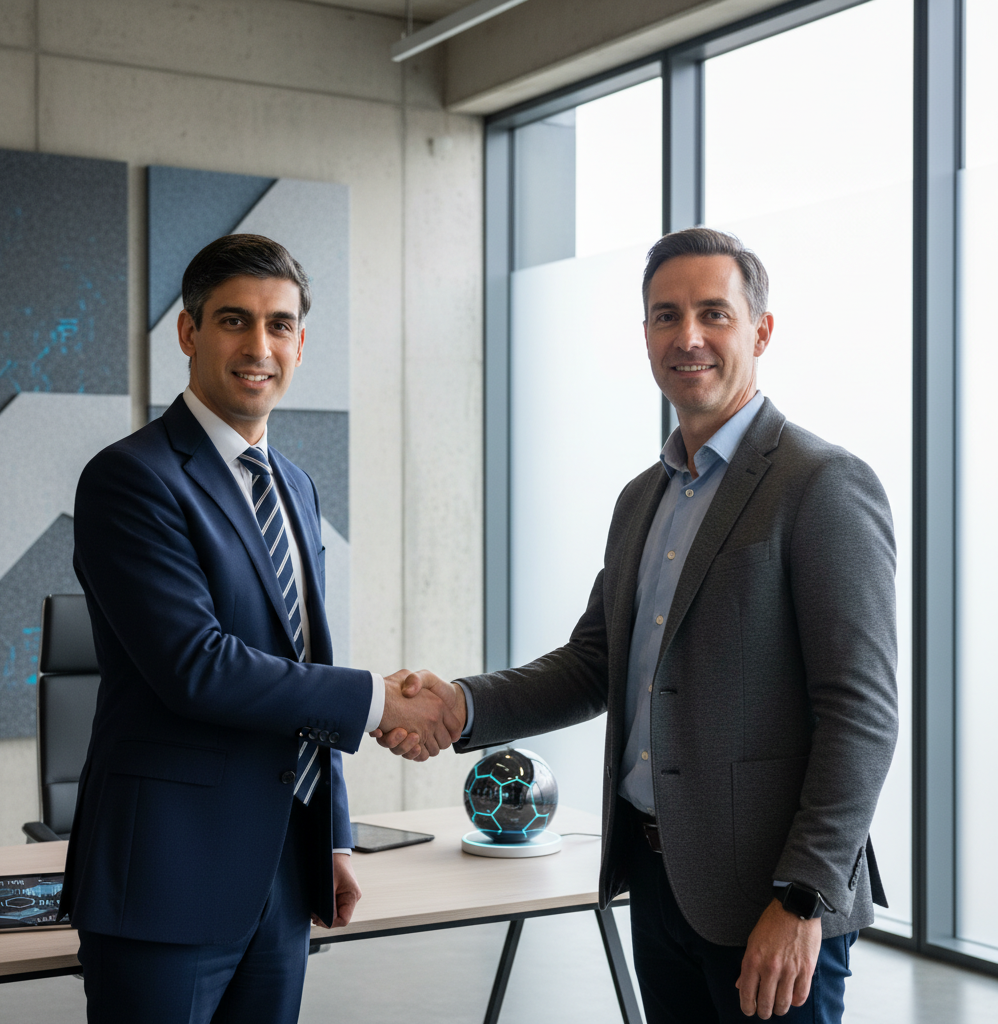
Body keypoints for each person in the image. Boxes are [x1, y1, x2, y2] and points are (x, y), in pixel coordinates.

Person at [378, 228, 899, 1023]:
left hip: (772, 902)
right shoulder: (643, 498)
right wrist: (458, 704)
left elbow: (862, 714)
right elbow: (594, 663)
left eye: (713, 314)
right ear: (646, 335)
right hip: (658, 884)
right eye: (666, 316)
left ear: (760, 330)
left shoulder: (821, 483)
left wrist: (802, 900)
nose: (687, 337)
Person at [61, 233, 462, 1024]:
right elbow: (198, 666)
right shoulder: (131, 478)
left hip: (280, 871)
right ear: (189, 333)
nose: (259, 346)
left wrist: (334, 836)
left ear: (301, 344)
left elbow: (306, 660)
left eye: (279, 326)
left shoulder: (296, 485)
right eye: (235, 321)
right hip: (165, 881)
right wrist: (380, 703)